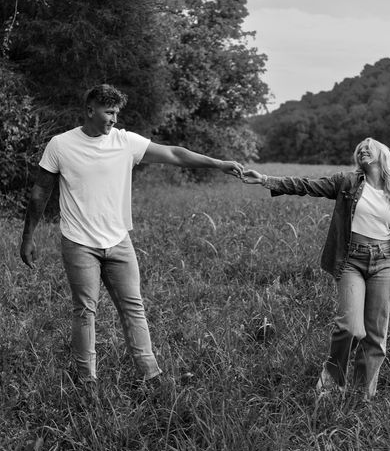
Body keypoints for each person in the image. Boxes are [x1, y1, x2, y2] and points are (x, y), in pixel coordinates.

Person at [20, 84, 243, 391]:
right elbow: (40, 191)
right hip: (79, 243)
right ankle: (87, 383)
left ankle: (152, 376)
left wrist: (218, 164)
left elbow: (175, 154)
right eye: (108, 112)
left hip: (119, 241)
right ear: (90, 110)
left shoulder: (126, 142)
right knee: (85, 310)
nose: (113, 118)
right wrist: (27, 237)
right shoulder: (61, 145)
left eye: (116, 112)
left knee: (133, 306)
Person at [242, 137, 390, 400]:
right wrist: (266, 179)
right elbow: (306, 185)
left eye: (369, 147)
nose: (363, 150)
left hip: (385, 263)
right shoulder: (345, 182)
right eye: (359, 149)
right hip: (351, 260)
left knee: (375, 335)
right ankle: (333, 382)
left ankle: (361, 396)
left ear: (383, 156)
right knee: (349, 327)